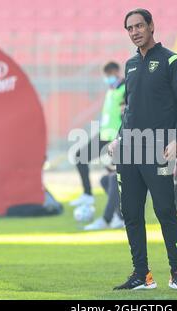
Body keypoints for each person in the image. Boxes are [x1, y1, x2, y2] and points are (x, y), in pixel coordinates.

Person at [108, 8, 177, 290]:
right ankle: (141, 275)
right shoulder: (130, 65)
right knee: (131, 213)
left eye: (139, 26)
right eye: (130, 28)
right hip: (129, 152)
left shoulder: (172, 61)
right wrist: (119, 138)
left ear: (151, 26)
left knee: (165, 210)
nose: (134, 32)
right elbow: (130, 109)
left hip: (158, 149)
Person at [70, 62, 125, 207]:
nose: (108, 78)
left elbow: (126, 112)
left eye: (110, 75)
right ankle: (88, 195)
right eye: (106, 76)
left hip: (116, 136)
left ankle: (118, 214)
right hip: (105, 134)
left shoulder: (125, 88)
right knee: (80, 156)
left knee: (117, 175)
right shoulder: (111, 90)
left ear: (117, 72)